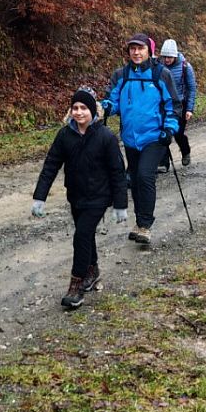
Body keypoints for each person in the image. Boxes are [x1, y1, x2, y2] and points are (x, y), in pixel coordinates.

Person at [32, 88, 127, 309]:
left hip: (99, 197)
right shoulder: (65, 135)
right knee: (85, 236)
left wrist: (120, 205)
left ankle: (75, 286)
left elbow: (117, 172)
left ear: (92, 110)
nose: (78, 112)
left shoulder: (105, 137)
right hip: (75, 196)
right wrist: (40, 197)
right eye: (75, 108)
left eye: (83, 108)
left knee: (81, 235)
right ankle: (92, 271)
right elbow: (51, 165)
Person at [104, 33, 180, 245]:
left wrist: (169, 129)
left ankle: (145, 225)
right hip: (130, 138)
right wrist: (107, 107)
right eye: (132, 49)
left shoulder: (160, 74)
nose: (136, 52)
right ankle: (139, 222)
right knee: (135, 179)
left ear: (150, 51)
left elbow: (174, 105)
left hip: (154, 137)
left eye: (140, 48)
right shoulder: (121, 74)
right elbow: (113, 102)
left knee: (146, 176)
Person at [158, 39, 197, 171]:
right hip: (163, 103)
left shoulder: (185, 67)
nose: (167, 59)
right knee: (163, 131)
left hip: (180, 104)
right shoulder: (159, 66)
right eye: (165, 57)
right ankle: (163, 162)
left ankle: (185, 151)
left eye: (170, 57)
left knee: (178, 132)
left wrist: (190, 109)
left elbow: (191, 88)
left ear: (175, 56)